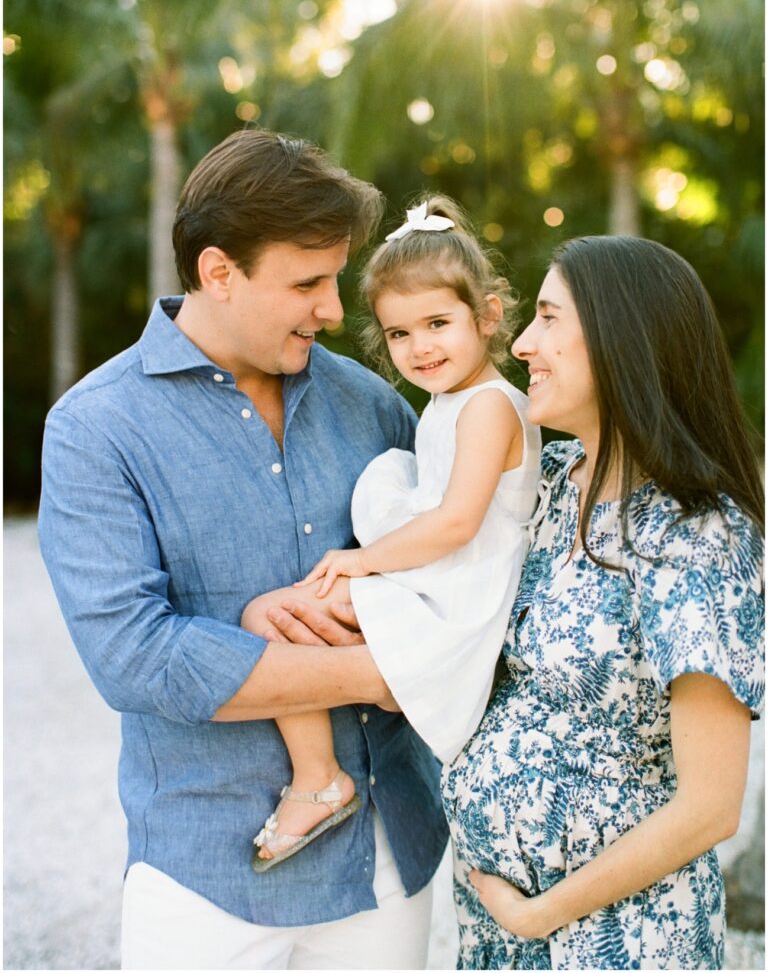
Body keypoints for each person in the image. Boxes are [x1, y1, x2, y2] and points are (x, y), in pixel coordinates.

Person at [37, 129, 448, 971]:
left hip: (385, 865)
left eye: (335, 278)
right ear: (218, 272)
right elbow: (135, 657)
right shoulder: (94, 429)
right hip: (201, 878)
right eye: (308, 282)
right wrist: (388, 671)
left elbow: (449, 577)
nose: (334, 310)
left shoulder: (373, 404)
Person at [440, 234, 765, 970]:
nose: (522, 342)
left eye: (549, 318)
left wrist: (541, 915)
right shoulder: (547, 485)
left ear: (625, 338)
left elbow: (711, 806)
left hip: (616, 939)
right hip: (500, 926)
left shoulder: (695, 533)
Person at [241, 197, 541, 868]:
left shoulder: (490, 406)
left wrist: (362, 563)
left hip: (458, 601)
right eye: (400, 333)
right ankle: (322, 773)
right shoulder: (451, 404)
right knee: (273, 616)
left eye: (437, 322)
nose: (420, 346)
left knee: (271, 616)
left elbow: (459, 521)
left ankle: (320, 780)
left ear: (487, 315)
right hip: (438, 581)